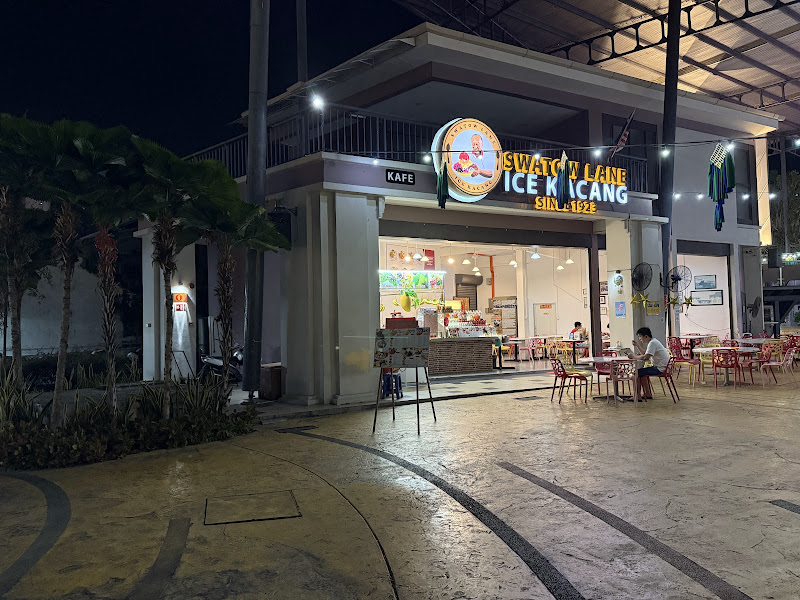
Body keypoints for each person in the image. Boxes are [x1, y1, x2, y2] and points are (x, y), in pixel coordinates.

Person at [628, 327, 669, 399]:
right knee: (643, 372)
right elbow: (645, 354)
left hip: (660, 369)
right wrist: (637, 345)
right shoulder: (653, 341)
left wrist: (634, 356)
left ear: (646, 336)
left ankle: (637, 396)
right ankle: (648, 394)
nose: (640, 339)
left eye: (640, 337)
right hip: (664, 367)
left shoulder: (652, 343)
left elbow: (645, 357)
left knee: (636, 373)